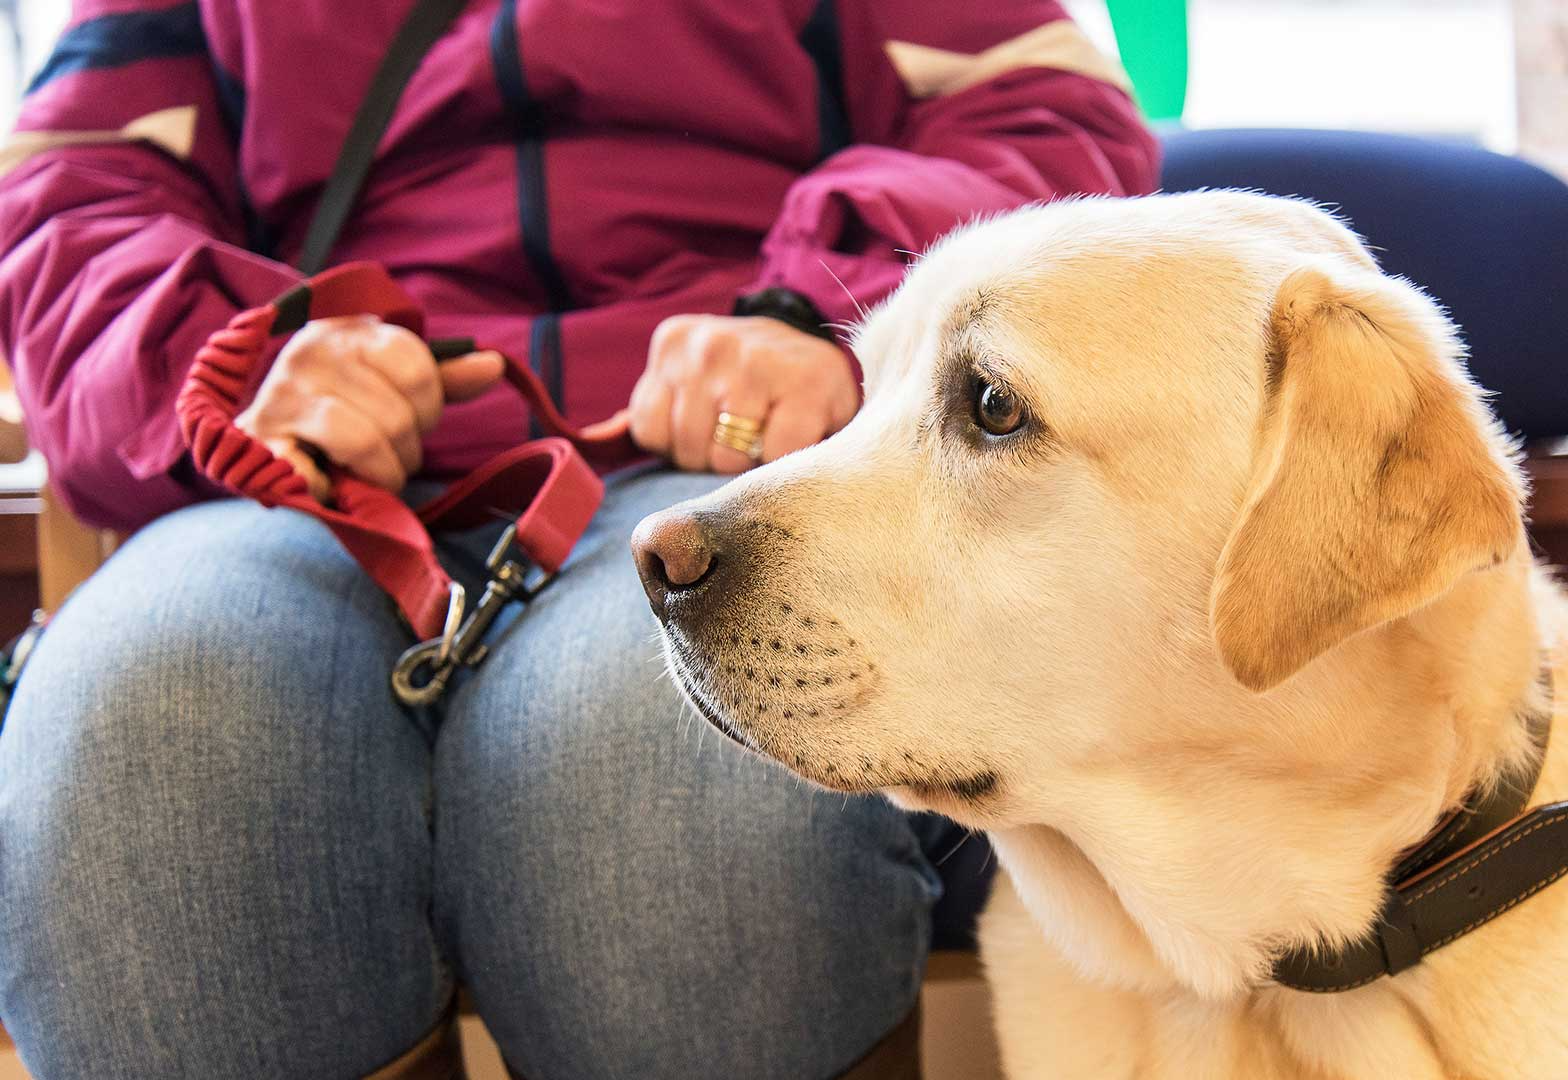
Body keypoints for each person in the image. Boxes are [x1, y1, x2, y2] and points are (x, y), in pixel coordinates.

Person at [0, 1, 1156, 1076]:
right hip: (294, 483)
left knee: (675, 798)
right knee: (142, 770)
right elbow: (68, 196)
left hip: (729, 459)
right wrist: (242, 361)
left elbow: (1040, 112)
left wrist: (830, 320)